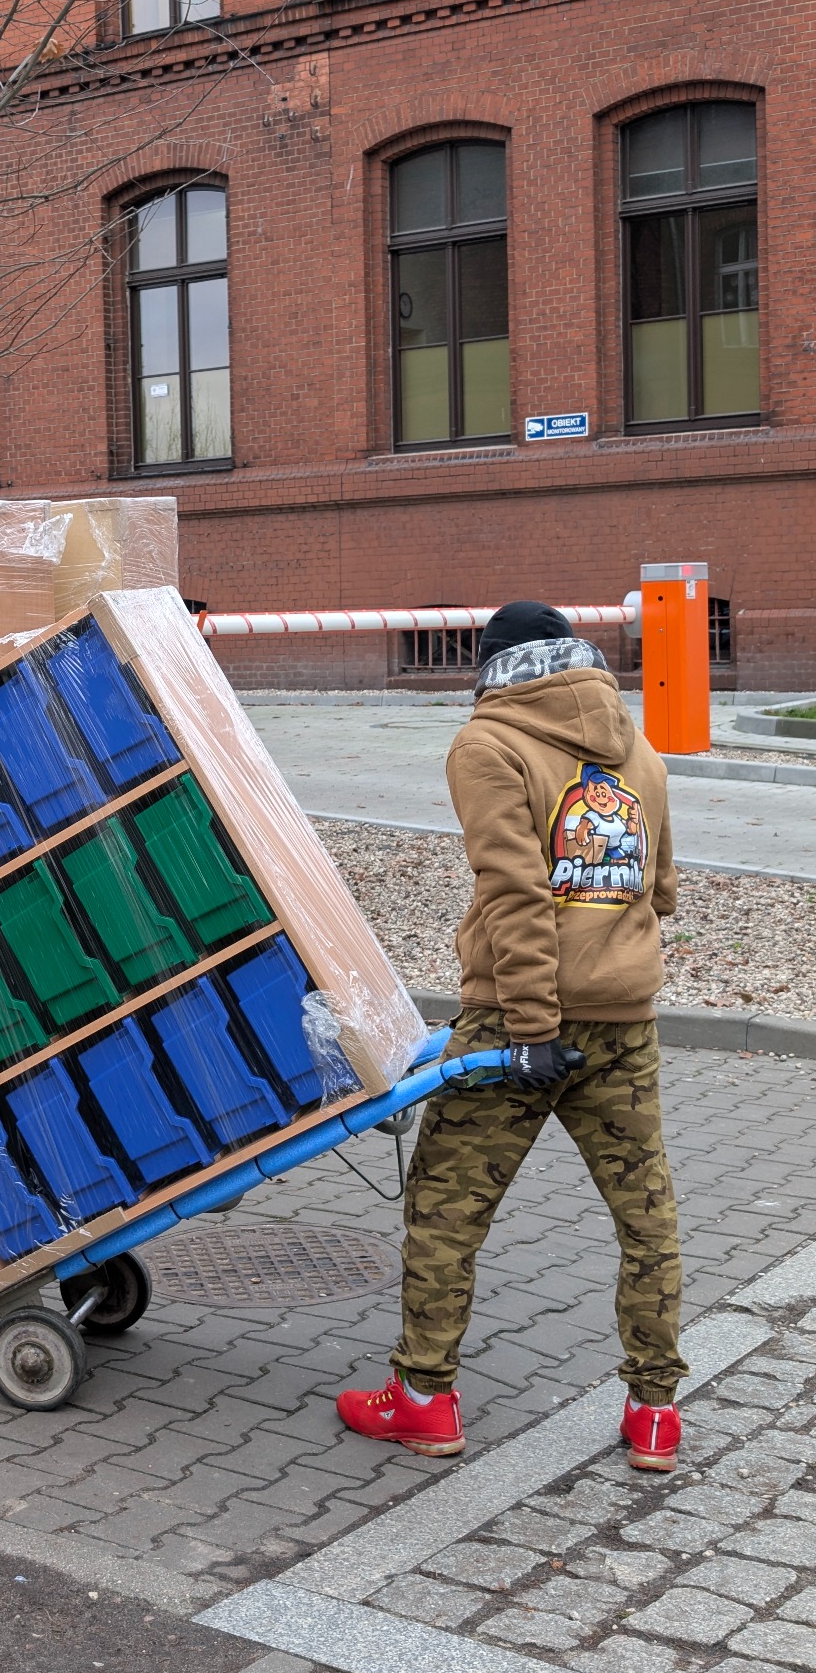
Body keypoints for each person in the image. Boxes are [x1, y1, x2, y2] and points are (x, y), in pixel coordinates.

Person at [337, 600, 687, 1472]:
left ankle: (423, 1400)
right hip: (626, 1024)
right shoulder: (633, 742)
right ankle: (654, 1414)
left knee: (446, 1211)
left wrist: (530, 1026)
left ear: (491, 665)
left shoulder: (488, 743)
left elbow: (515, 891)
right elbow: (662, 885)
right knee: (646, 1216)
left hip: (517, 1023)